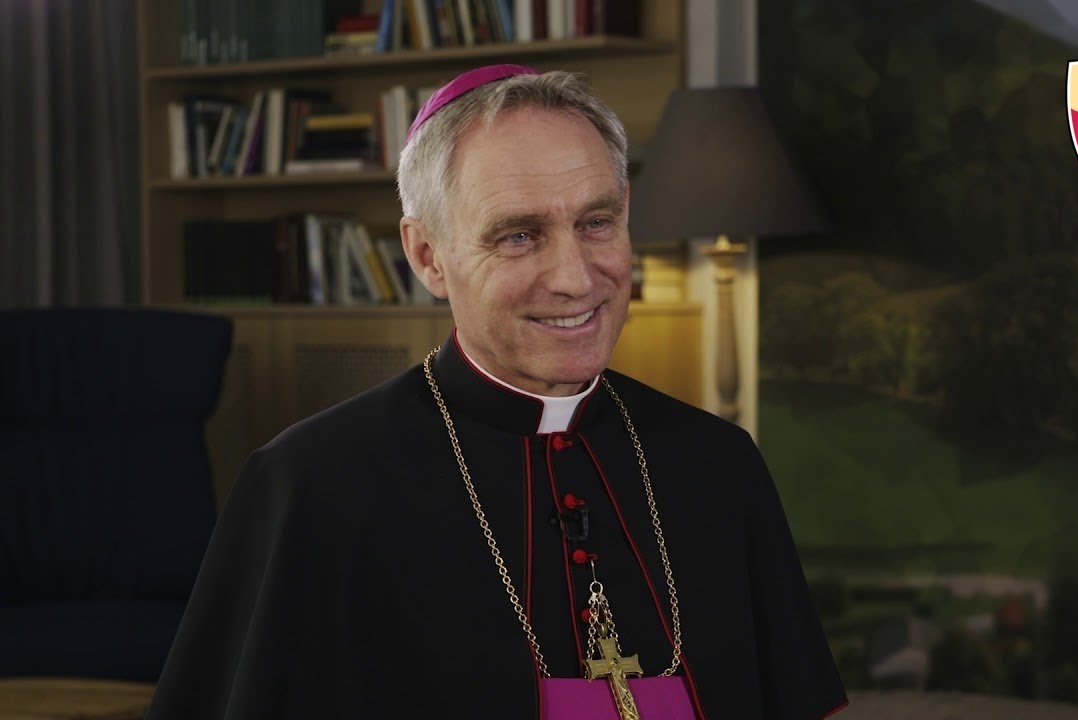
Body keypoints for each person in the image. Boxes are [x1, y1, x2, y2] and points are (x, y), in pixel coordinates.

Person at [147, 65, 846, 719]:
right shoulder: (311, 484)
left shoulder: (719, 462)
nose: (575, 277)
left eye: (596, 223)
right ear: (428, 256)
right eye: (519, 236)